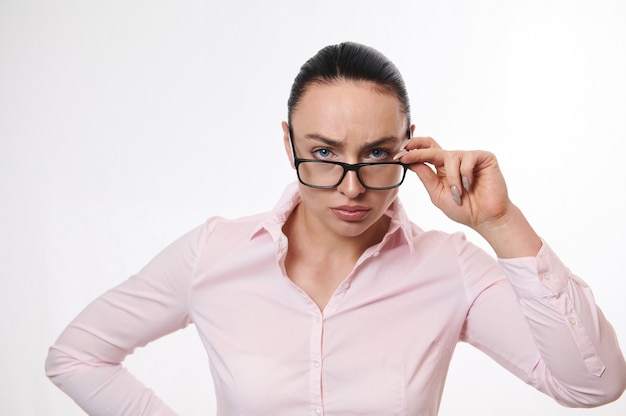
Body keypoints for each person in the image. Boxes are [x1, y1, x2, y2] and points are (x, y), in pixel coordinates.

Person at [45, 41, 626, 415]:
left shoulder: (449, 267)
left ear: (409, 146)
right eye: (323, 152)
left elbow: (592, 384)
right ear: (288, 142)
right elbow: (77, 355)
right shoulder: (214, 254)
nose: (351, 188)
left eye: (377, 154)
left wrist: (499, 222)